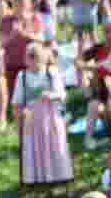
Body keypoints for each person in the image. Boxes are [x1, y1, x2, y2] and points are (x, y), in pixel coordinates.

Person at [13, 44, 73, 188]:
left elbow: (62, 95)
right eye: (30, 56)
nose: (33, 59)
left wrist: (51, 95)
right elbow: (17, 102)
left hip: (50, 116)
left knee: (55, 146)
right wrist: (19, 120)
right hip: (32, 119)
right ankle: (38, 180)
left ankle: (59, 178)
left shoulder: (51, 72)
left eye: (35, 55)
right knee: (34, 149)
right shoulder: (22, 76)